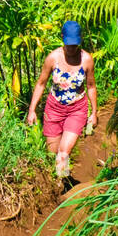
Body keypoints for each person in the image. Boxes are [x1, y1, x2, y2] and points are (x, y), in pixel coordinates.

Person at [25, 20, 98, 178]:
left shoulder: (86, 59)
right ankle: (57, 186)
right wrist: (32, 110)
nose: (71, 49)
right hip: (54, 108)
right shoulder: (53, 58)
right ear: (62, 38)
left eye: (75, 45)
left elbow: (91, 86)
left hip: (77, 109)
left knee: (63, 153)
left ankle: (64, 191)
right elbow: (41, 84)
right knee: (52, 155)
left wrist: (94, 113)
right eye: (69, 44)